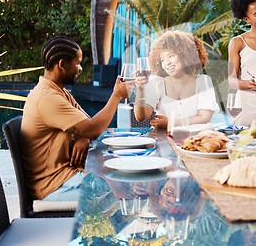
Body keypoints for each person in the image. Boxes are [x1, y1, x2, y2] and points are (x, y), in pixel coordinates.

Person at [21, 36, 130, 201]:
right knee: (124, 182)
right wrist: (116, 96)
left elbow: (88, 125)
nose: (80, 68)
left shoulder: (58, 91)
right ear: (62, 64)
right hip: (54, 187)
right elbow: (93, 130)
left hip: (66, 177)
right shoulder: (47, 98)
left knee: (120, 168)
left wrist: (83, 138)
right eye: (77, 63)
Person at [134, 31, 219, 129]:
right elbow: (141, 117)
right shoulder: (157, 83)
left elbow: (204, 118)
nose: (167, 63)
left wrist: (171, 123)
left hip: (195, 140)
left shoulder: (203, 82)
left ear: (184, 55)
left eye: (171, 56)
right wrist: (140, 90)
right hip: (163, 140)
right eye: (163, 60)